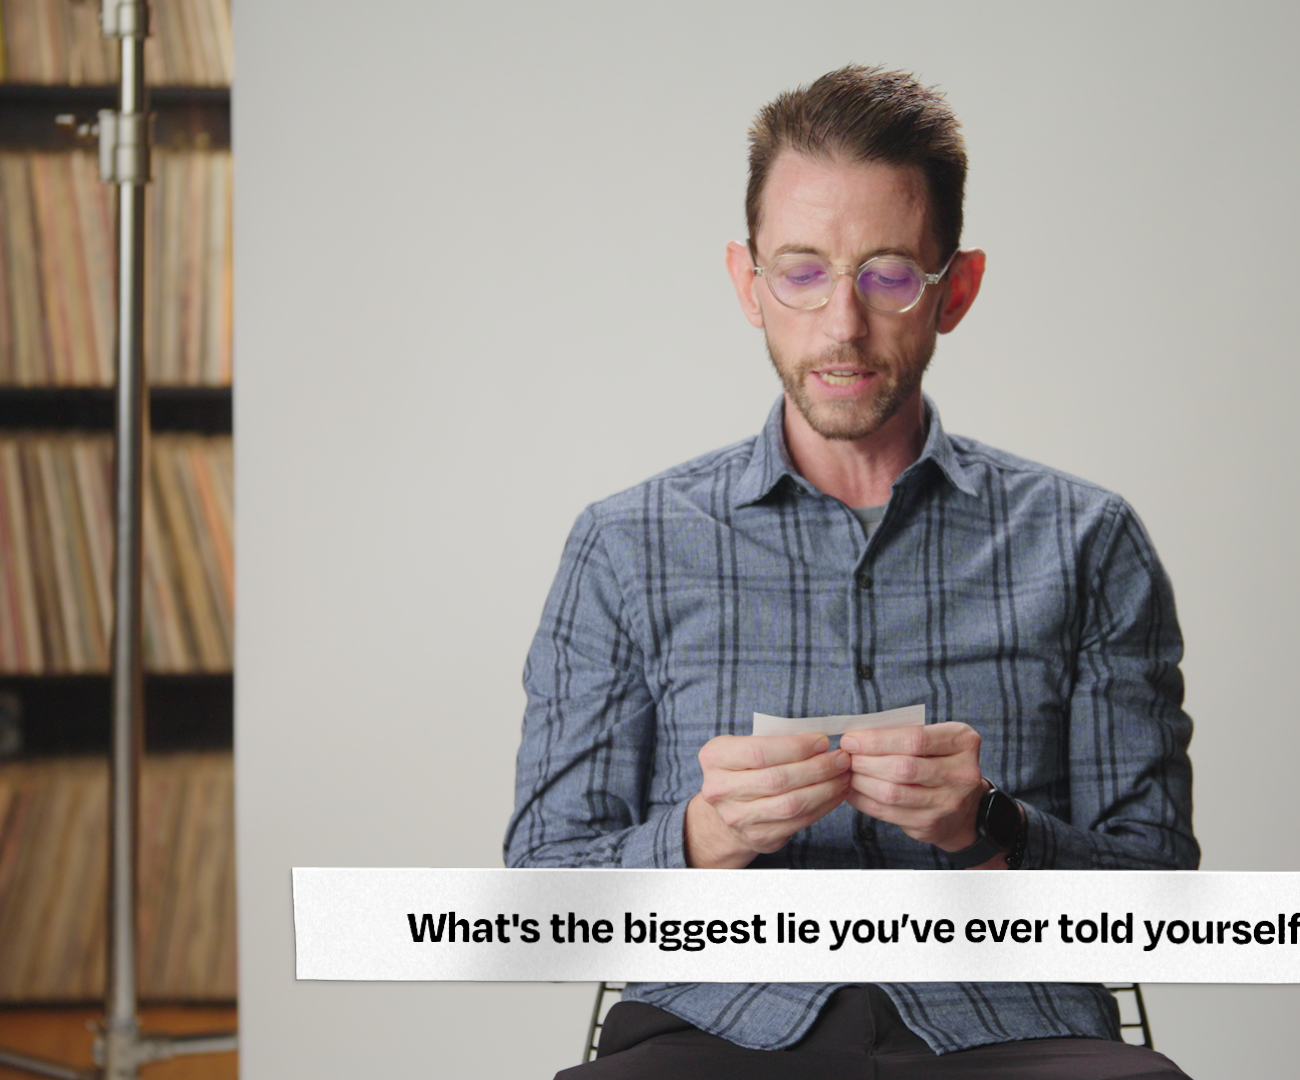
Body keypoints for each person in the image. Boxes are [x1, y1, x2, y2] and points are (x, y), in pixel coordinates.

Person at [506, 65, 1197, 1079]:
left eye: (886, 274)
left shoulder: (1087, 540)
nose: (841, 325)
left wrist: (989, 825)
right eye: (801, 272)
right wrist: (701, 837)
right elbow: (541, 904)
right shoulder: (626, 545)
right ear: (748, 284)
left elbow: (1162, 905)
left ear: (953, 290)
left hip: (1017, 1027)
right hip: (714, 1029)